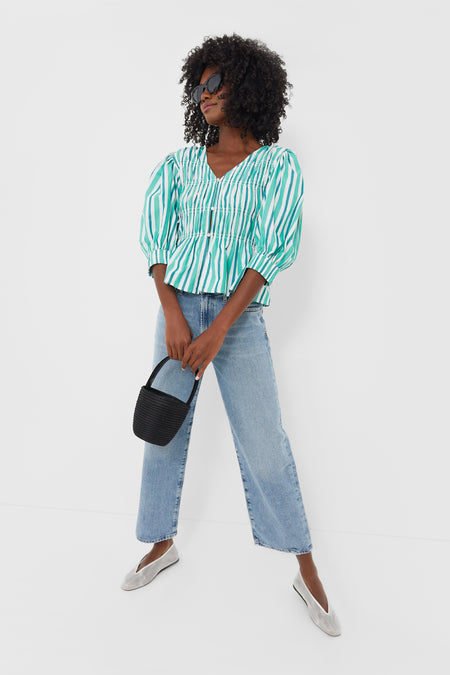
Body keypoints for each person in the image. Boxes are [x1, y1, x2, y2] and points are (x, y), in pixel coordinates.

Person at [121, 33, 341, 637]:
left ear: (249, 87)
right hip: (177, 309)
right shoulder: (179, 165)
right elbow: (156, 238)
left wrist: (219, 328)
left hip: (237, 318)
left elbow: (273, 251)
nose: (205, 94)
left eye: (216, 83)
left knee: (265, 442)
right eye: (199, 86)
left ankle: (304, 566)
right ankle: (160, 542)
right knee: (163, 428)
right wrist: (172, 313)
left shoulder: (276, 166)